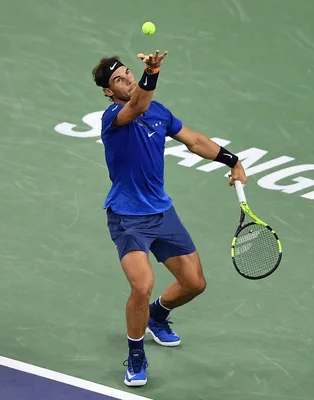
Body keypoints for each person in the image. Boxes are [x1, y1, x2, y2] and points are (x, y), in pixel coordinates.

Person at [92, 50, 248, 387]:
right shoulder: (114, 117)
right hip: (127, 219)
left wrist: (232, 160)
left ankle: (157, 316)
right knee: (142, 285)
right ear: (108, 91)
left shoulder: (159, 113)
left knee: (195, 284)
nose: (128, 80)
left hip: (162, 213)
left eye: (129, 74)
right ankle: (135, 355)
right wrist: (153, 70)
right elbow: (138, 106)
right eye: (119, 80)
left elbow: (194, 141)